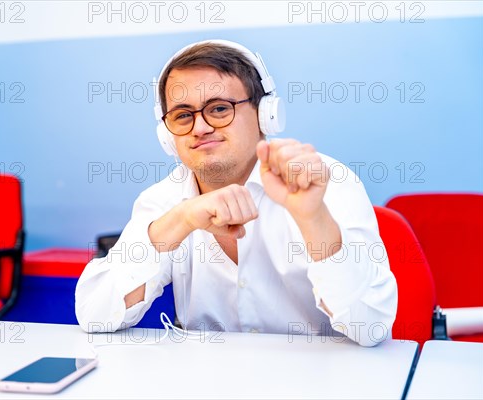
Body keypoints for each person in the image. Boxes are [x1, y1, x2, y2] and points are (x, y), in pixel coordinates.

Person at [75, 39, 397, 347]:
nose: (199, 128)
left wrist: (313, 218)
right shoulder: (165, 200)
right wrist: (180, 220)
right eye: (183, 115)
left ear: (265, 115)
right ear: (166, 134)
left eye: (218, 109)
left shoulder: (323, 182)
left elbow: (370, 326)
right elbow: (94, 315)